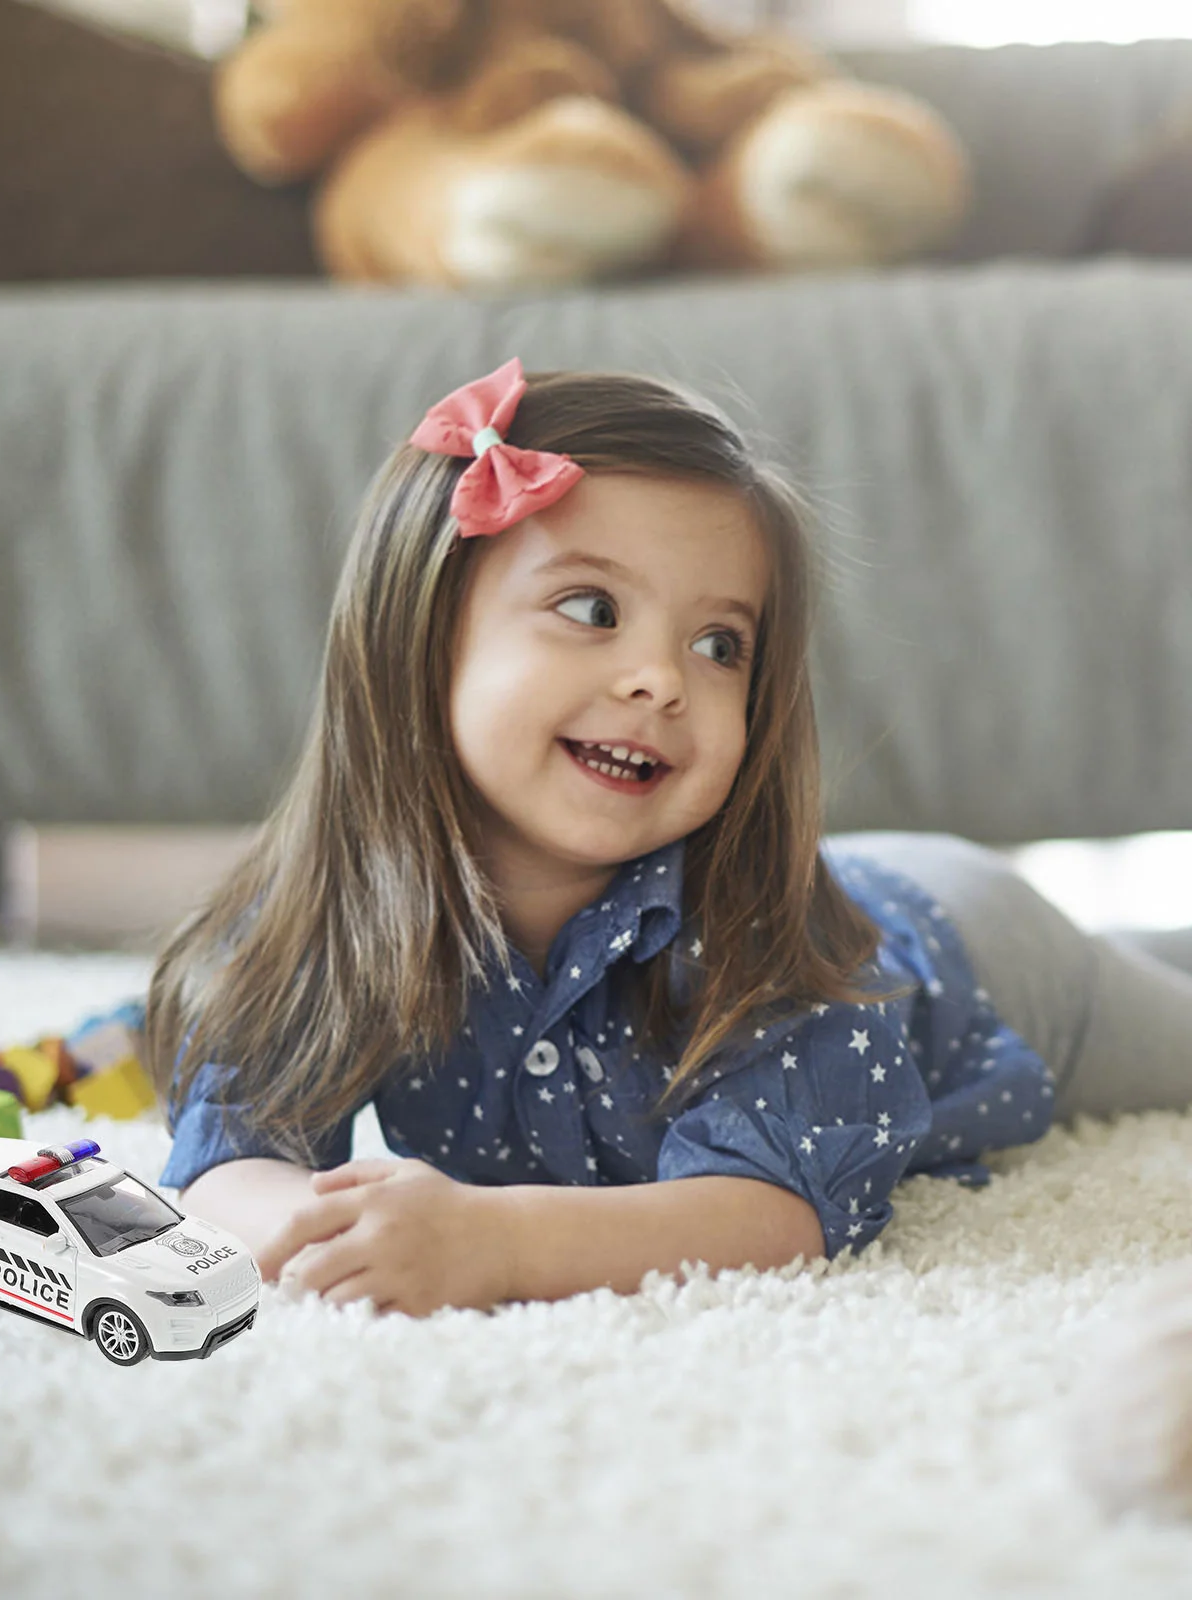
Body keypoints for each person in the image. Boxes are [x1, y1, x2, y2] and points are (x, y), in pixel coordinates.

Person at [140, 359, 1192, 1319]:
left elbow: (772, 1213)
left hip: (986, 952)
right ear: (416, 635)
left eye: (717, 643)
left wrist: (494, 1242)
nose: (661, 678)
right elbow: (229, 1158)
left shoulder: (770, 944)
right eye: (591, 607)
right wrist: (324, 1234)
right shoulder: (312, 923)